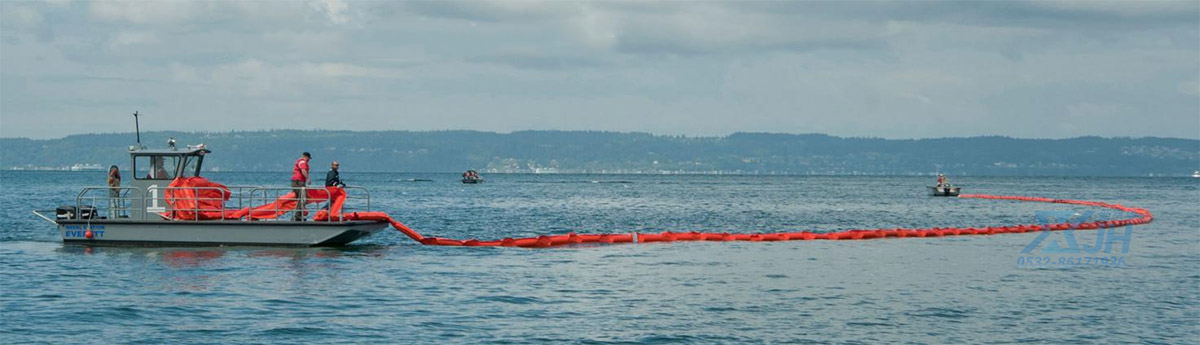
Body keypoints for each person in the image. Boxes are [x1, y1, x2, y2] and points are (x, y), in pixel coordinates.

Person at [291, 152, 311, 221]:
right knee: (303, 197)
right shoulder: (302, 162)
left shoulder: (299, 161)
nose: (308, 160)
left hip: (296, 181)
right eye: (308, 158)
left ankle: (299, 214)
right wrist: (308, 178)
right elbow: (303, 170)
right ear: (306, 157)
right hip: (299, 182)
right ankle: (298, 215)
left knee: (300, 198)